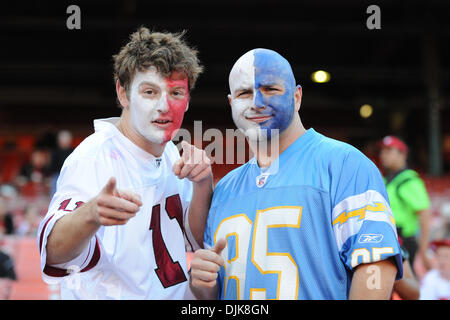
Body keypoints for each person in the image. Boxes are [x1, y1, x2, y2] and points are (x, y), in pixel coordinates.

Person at [189, 48, 402, 300]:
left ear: (297, 96)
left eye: (270, 89)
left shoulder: (344, 164)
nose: (257, 102)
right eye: (244, 93)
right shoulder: (225, 188)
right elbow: (214, 294)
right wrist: (202, 284)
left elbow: (376, 265)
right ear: (231, 103)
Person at [37, 27, 212, 299]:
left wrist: (203, 184)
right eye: (150, 92)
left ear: (188, 99)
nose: (164, 106)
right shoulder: (94, 158)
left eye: (176, 93)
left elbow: (193, 237)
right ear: (123, 94)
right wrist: (91, 214)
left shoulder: (170, 154)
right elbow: (55, 254)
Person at [379, 136, 432, 270]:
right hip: (388, 239)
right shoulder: (386, 179)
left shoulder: (408, 180)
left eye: (389, 151)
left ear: (402, 154)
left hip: (404, 241)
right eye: (382, 151)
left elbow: (425, 214)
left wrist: (424, 250)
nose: (383, 155)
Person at [49, 130, 74, 196]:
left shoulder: (73, 152)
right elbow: (52, 166)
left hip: (69, 176)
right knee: (55, 194)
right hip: (57, 175)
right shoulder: (55, 152)